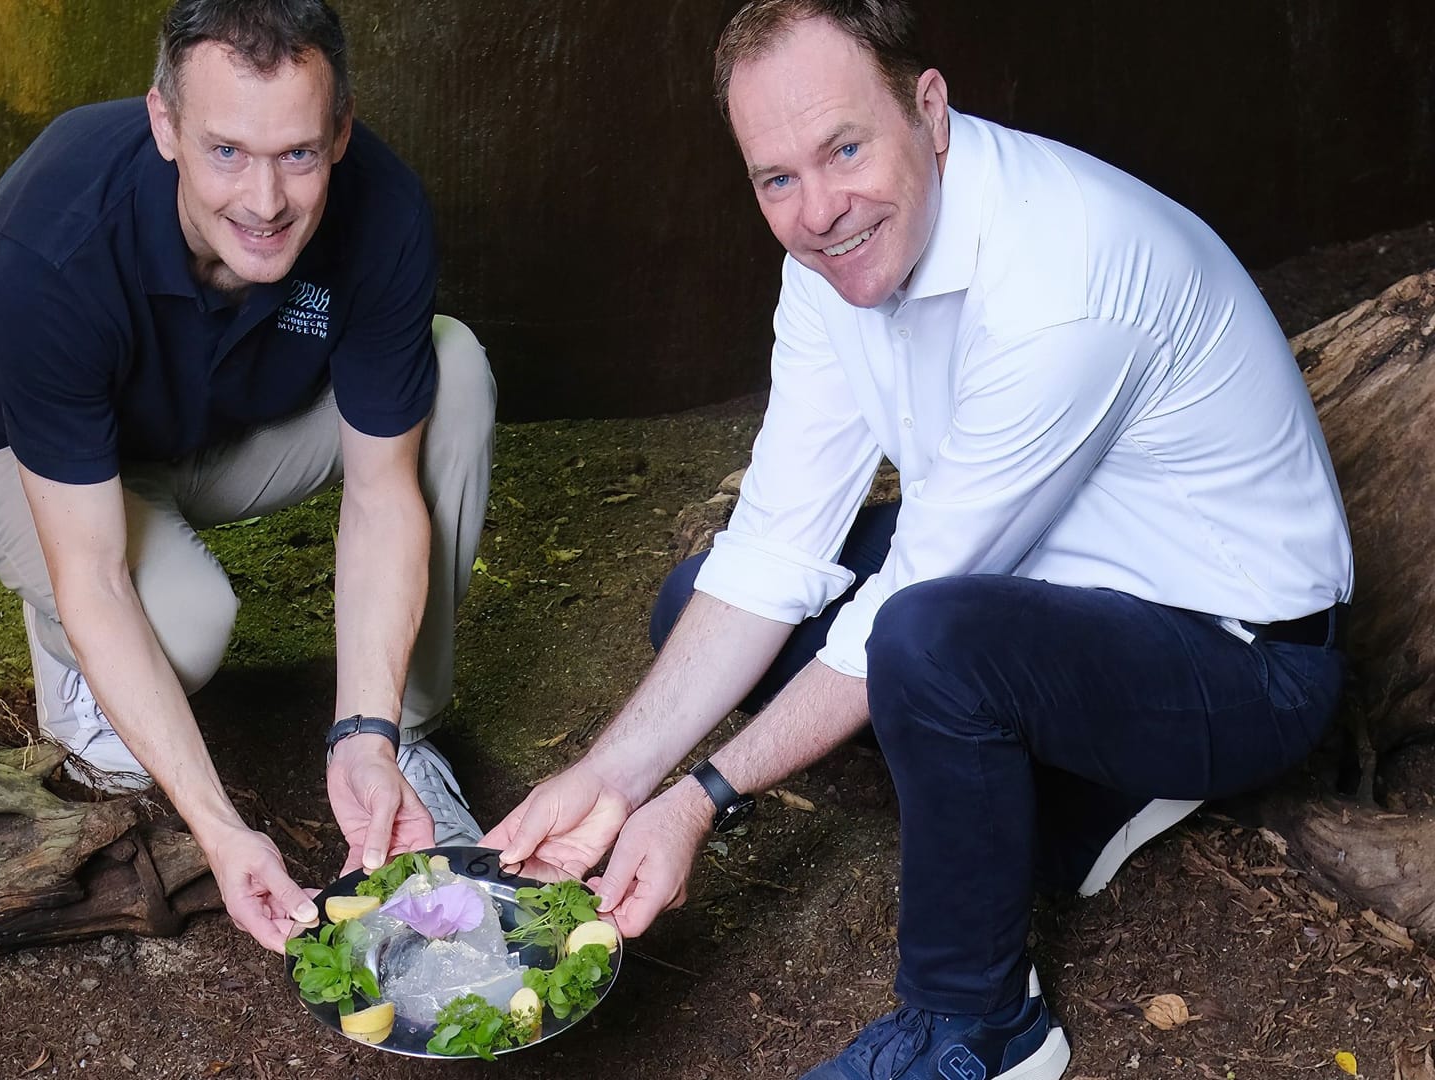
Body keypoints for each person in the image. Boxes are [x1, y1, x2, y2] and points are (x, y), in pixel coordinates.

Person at [483, 1, 1352, 1076]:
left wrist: (700, 799)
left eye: (845, 148)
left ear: (928, 110)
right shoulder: (830, 261)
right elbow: (775, 547)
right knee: (702, 600)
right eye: (777, 178)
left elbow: (911, 608)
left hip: (1239, 655)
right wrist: (612, 777)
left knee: (925, 643)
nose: (819, 211)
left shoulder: (1060, 280)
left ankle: (984, 1026)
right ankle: (1078, 800)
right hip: (1048, 577)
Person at [0, 0, 496, 954]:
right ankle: (72, 668)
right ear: (164, 125)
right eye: (227, 151)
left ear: (341, 130)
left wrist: (366, 728)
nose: (266, 201)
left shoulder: (384, 207)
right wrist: (223, 832)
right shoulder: (54, 240)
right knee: (187, 627)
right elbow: (97, 573)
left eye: (299, 155)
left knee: (458, 370)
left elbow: (382, 492)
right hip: (33, 463)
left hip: (224, 426)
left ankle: (405, 745)